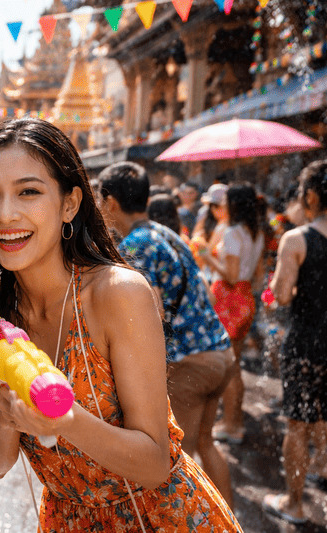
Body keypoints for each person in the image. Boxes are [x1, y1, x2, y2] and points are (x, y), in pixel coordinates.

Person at [0, 118, 240, 531]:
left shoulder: (118, 294)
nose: (6, 214)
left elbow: (155, 462)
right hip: (65, 521)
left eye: (28, 191)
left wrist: (64, 419)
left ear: (69, 203)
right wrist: (10, 416)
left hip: (160, 517)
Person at [96, 161, 237, 507]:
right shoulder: (166, 232)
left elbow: (150, 314)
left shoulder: (134, 246)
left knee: (171, 471)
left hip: (191, 365)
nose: (98, 208)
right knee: (205, 443)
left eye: (100, 200)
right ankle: (230, 522)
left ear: (111, 202)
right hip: (220, 354)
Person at [263, 160, 327, 525]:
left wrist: (279, 285)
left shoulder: (297, 239)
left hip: (306, 343)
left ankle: (294, 503)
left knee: (298, 424)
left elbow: (282, 296)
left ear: (312, 196)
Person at [200, 183, 265, 445]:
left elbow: (232, 274)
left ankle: (231, 424)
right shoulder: (256, 232)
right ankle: (233, 420)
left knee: (229, 367)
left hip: (229, 299)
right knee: (235, 365)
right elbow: (256, 275)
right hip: (246, 297)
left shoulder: (232, 233)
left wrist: (207, 256)